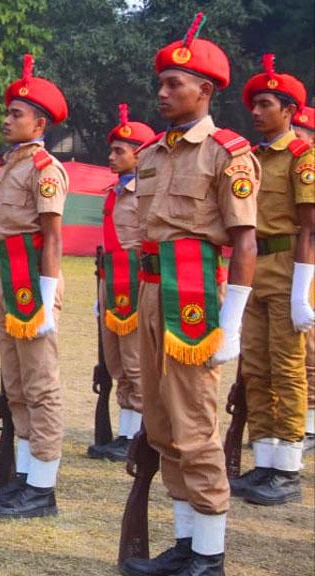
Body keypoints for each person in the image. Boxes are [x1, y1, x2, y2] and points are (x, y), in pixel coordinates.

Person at [118, 14, 259, 576]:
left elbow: (244, 242)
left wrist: (231, 320)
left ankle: (209, 552)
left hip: (195, 298)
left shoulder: (228, 154)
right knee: (161, 424)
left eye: (175, 83)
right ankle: (184, 541)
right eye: (161, 82)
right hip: (153, 293)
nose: (162, 91)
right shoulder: (151, 154)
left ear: (205, 90)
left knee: (196, 427)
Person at [0, 54, 68, 518]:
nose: (7, 120)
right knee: (16, 384)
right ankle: (24, 478)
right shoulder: (13, 163)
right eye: (7, 112)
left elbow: (52, 237)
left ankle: (43, 487)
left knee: (41, 384)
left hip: (34, 279)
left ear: (40, 122)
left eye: (16, 114)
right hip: (9, 278)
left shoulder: (46, 168)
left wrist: (47, 301)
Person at [230, 54, 313, 506]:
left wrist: (302, 292)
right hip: (254, 269)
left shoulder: (303, 158)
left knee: (287, 369)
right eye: (255, 104)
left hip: (287, 270)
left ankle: (288, 469)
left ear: (289, 111)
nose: (257, 112)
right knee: (256, 368)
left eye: (266, 104)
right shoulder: (252, 158)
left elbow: (310, 228)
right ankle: (263, 460)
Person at [87, 104, 155, 462]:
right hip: (110, 279)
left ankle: (139, 433)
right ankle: (125, 430)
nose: (111, 156)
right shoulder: (114, 192)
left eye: (120, 151)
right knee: (115, 362)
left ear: (140, 156)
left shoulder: (145, 193)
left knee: (134, 362)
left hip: (134, 280)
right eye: (111, 150)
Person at [292, 105, 315, 452]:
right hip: (289, 259)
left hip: (308, 260)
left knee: (309, 346)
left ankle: (309, 423)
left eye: (301, 132)